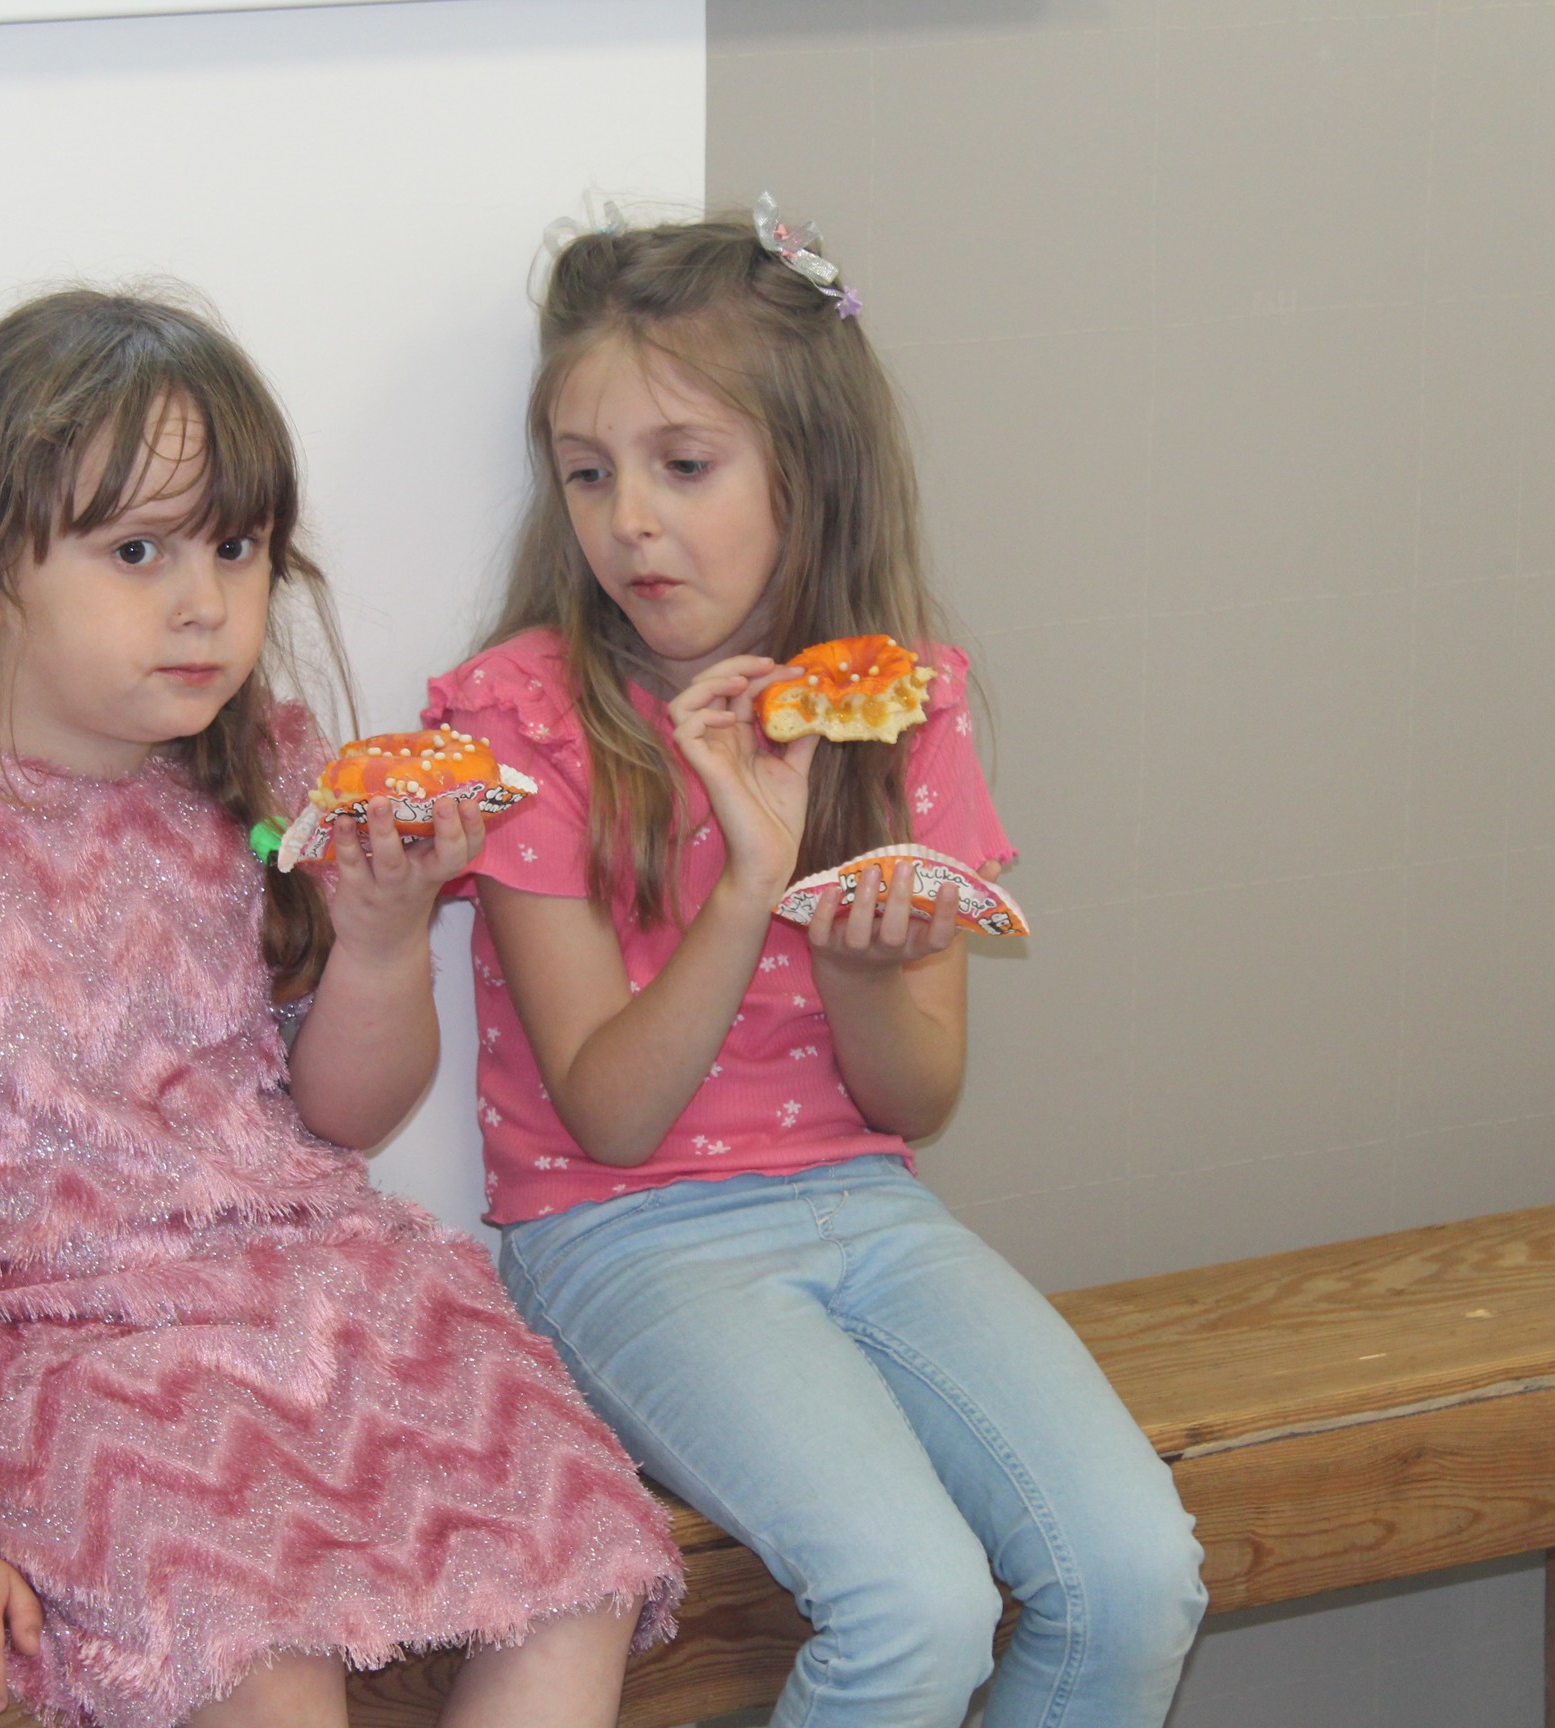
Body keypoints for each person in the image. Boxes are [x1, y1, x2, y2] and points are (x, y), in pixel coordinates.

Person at [0, 287, 680, 1728]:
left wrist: (382, 944)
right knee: (257, 1657)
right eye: (137, 550)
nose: (203, 603)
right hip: (78, 1355)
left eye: (236, 549)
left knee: (584, 1572)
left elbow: (341, 1117)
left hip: (330, 1299)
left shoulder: (265, 778)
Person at [420, 208, 1206, 1728]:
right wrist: (751, 879)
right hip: (618, 1236)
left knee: (1134, 1575)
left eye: (683, 465)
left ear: (811, 468)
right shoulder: (524, 719)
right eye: (588, 472)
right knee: (914, 1607)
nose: (629, 523)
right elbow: (611, 1118)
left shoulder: (898, 705)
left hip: (867, 1208)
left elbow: (917, 1097)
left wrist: (859, 968)